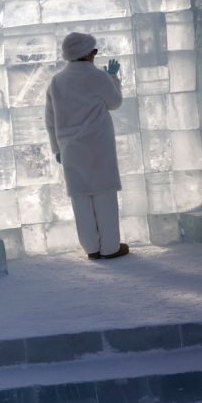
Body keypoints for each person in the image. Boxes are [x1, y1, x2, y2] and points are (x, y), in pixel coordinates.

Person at [45, 32, 130, 260]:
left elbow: (50, 118)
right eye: (94, 51)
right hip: (98, 145)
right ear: (86, 53)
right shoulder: (97, 76)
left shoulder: (56, 81)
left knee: (80, 197)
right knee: (104, 194)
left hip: (70, 148)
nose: (94, 55)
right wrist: (112, 77)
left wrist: (56, 149)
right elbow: (114, 102)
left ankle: (91, 248)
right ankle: (111, 247)